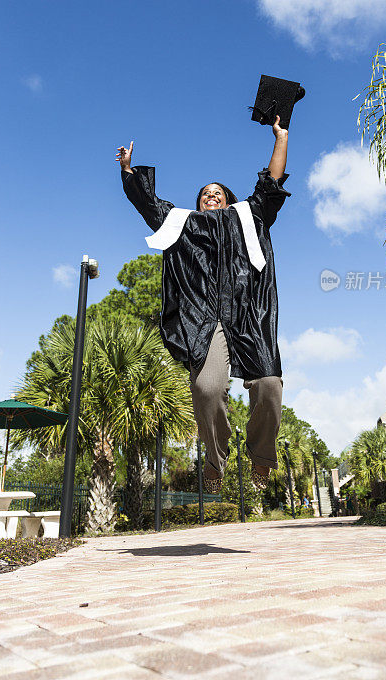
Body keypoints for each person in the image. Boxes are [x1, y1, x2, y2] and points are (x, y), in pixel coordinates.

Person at [116, 116, 290, 493]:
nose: (211, 195)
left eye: (218, 193)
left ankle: (261, 458)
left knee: (270, 384)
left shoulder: (248, 217)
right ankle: (215, 460)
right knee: (208, 388)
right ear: (198, 203)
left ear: (229, 199)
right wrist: (129, 172)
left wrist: (281, 137)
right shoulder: (182, 223)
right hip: (204, 320)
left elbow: (272, 185)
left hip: (248, 313)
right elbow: (148, 204)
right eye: (205, 193)